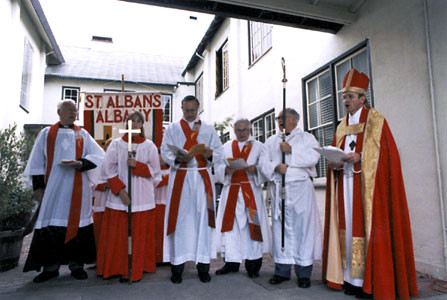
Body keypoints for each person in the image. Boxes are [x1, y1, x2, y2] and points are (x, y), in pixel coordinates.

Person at [321, 68, 418, 299]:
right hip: (345, 184)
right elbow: (336, 151)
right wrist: (334, 164)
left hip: (368, 189)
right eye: (344, 96)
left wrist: (361, 157)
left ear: (362, 98)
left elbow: (388, 155)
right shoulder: (341, 126)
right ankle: (350, 279)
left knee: (365, 231)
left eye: (351, 96)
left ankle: (368, 282)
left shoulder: (376, 121)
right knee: (347, 230)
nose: (346, 100)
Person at [23, 99, 105, 283]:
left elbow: (100, 155)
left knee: (79, 224)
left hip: (78, 188)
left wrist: (82, 163)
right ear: (59, 111)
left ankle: (77, 266)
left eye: (75, 111)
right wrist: (38, 187)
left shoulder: (83, 134)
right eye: (69, 110)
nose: (73, 113)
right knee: (52, 225)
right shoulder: (46, 134)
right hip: (54, 189)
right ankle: (50, 268)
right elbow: (37, 161)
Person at [161, 95, 223, 284]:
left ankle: (203, 266)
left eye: (193, 110)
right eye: (186, 110)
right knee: (180, 221)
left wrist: (210, 154)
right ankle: (177, 267)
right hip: (181, 176)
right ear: (181, 108)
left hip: (202, 177)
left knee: (203, 220)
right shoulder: (172, 129)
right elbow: (164, 151)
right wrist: (178, 158)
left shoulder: (208, 129)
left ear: (198, 109)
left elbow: (220, 152)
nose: (189, 114)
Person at [259, 108, 322, 288]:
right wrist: (275, 167)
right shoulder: (271, 141)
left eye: (283, 118)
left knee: (303, 229)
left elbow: (313, 157)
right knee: (280, 230)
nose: (279, 121)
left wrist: (291, 151)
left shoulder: (306, 138)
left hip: (301, 188)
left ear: (294, 120)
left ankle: (303, 273)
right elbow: (263, 163)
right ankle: (282, 271)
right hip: (280, 188)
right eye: (278, 118)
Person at [96, 111, 161, 282]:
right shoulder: (117, 144)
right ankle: (118, 268)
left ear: (142, 125)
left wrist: (138, 166)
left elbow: (156, 174)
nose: (135, 123)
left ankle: (136, 268)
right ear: (127, 124)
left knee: (138, 235)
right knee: (119, 236)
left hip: (142, 198)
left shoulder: (149, 146)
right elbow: (107, 169)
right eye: (132, 120)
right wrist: (120, 191)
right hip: (119, 197)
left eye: (139, 121)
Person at [214, 119, 272, 278]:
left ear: (250, 129)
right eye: (238, 130)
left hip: (250, 190)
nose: (242, 133)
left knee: (252, 227)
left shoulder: (260, 147)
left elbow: (267, 168)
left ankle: (253, 266)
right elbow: (217, 166)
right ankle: (231, 263)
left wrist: (256, 169)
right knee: (230, 228)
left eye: (245, 130)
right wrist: (225, 169)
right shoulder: (225, 147)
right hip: (231, 190)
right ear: (234, 131)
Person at [154, 150, 170, 263]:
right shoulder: (155, 170)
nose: (161, 160)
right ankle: (158, 257)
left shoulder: (172, 170)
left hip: (168, 203)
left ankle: (169, 257)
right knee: (157, 232)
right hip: (157, 203)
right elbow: (155, 182)